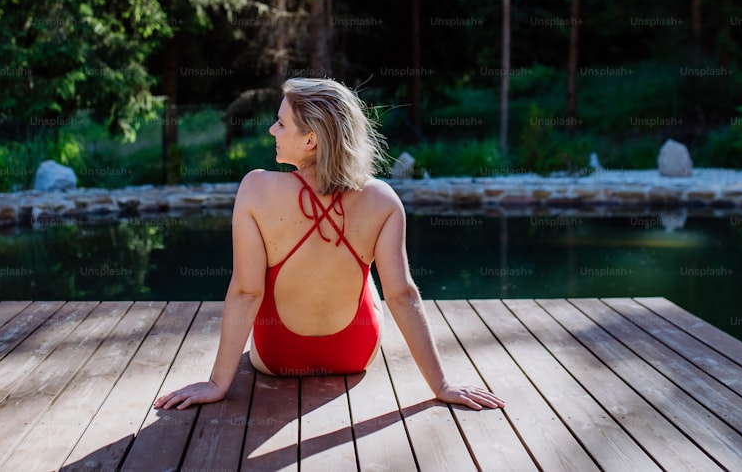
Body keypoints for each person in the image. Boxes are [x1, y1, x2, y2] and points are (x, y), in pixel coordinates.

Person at [154, 78, 504, 411]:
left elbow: (247, 291)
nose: (272, 130)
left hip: (278, 357)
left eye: (281, 124)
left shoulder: (256, 189)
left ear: (310, 140)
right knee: (365, 272)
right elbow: (402, 295)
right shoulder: (383, 199)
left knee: (268, 274)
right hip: (353, 354)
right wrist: (442, 386)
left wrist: (217, 384)